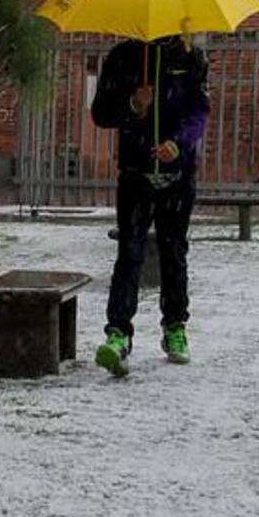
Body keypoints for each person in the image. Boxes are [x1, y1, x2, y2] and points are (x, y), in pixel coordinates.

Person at [90, 34, 210, 376]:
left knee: (174, 251)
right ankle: (118, 333)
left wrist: (179, 143)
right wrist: (133, 106)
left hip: (177, 175)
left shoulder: (190, 58)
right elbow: (101, 112)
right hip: (135, 173)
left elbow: (199, 111)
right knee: (130, 252)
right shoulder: (123, 57)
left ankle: (175, 326)